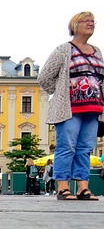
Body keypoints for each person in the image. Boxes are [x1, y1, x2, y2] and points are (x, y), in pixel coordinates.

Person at [38, 11, 101, 201]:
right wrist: (60, 94)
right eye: (86, 21)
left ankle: (83, 187)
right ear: (75, 25)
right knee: (67, 146)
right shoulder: (64, 50)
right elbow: (44, 77)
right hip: (70, 108)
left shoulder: (96, 51)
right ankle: (63, 187)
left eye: (93, 21)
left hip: (93, 107)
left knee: (85, 148)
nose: (91, 24)